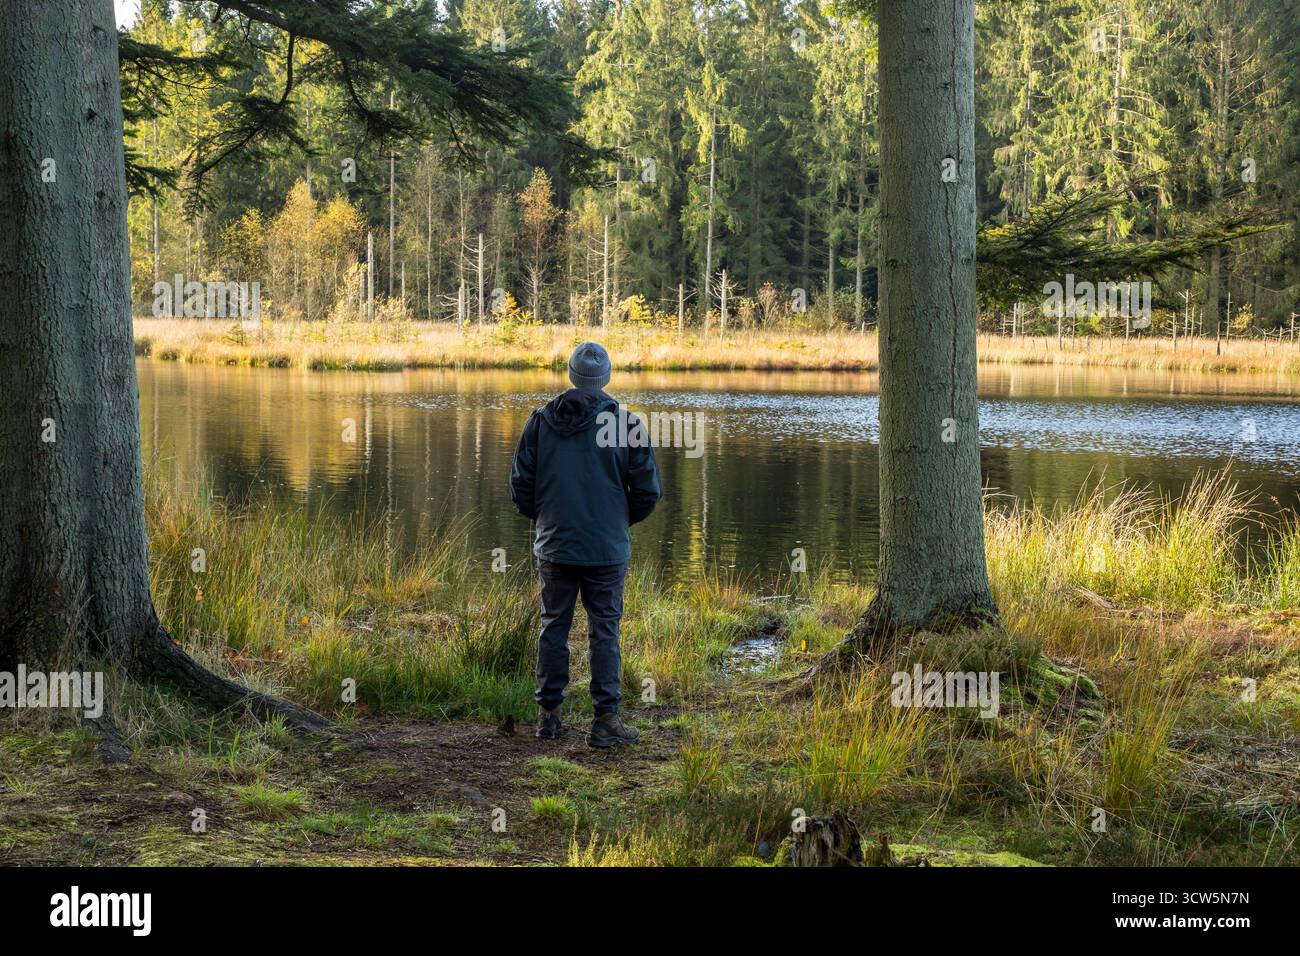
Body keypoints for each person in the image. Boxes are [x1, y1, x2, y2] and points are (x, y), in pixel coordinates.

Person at [509, 342, 661, 747]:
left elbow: (521, 485)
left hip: (556, 545)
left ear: (572, 376)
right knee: (605, 632)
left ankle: (548, 718)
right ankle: (605, 722)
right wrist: (617, 521)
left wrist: (545, 520)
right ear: (606, 378)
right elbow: (648, 492)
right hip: (606, 549)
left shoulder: (540, 422)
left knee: (552, 627)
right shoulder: (625, 424)